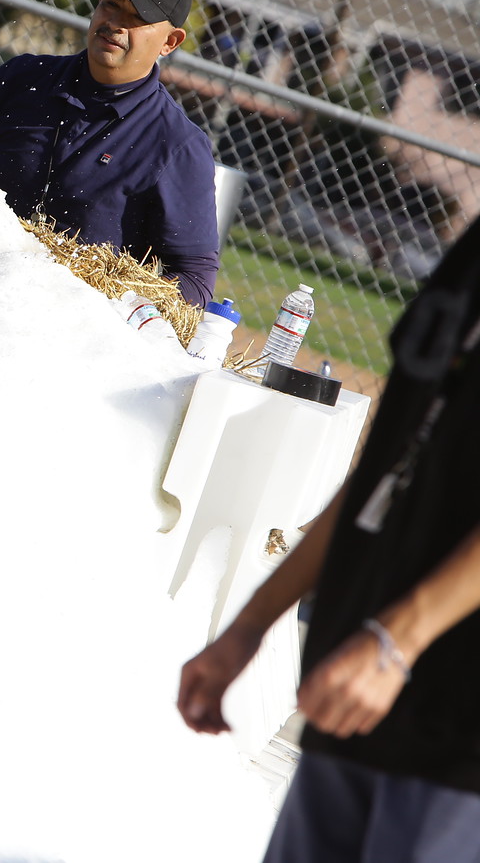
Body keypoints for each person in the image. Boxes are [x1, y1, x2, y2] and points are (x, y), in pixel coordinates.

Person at [178, 218, 480, 862]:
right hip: (357, 691)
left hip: (455, 740)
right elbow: (390, 470)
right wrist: (248, 627)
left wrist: (397, 641)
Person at [0, 0, 220, 305]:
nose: (115, 23)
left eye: (137, 17)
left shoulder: (176, 144)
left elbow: (195, 280)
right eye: (111, 5)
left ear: (170, 42)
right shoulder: (22, 78)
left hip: (66, 322)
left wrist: (118, 304)